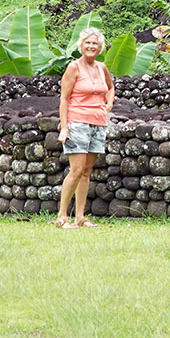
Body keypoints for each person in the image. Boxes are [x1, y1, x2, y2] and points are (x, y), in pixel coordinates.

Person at [56, 27, 114, 228]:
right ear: (81, 46)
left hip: (98, 123)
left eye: (95, 43)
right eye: (87, 43)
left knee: (87, 171)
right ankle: (62, 217)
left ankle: (80, 217)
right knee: (76, 169)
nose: (91, 46)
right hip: (77, 121)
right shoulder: (74, 67)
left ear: (100, 47)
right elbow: (64, 98)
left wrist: (109, 103)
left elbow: (110, 86)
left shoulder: (101, 67)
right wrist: (64, 128)